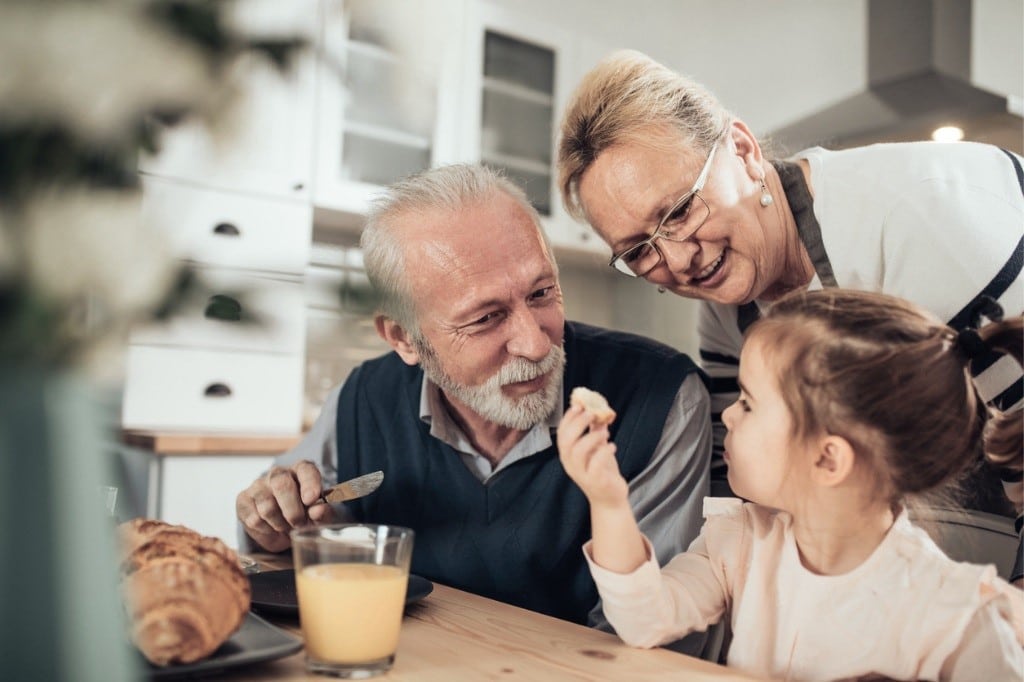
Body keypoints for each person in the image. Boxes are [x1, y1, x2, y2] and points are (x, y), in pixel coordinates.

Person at [556, 50, 1024, 531]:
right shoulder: (728, 310)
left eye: (678, 212)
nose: (677, 261)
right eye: (638, 251)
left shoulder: (927, 230)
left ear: (742, 150)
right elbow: (739, 475)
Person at [235, 163, 713, 634]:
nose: (536, 343)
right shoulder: (363, 399)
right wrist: (270, 522)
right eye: (485, 318)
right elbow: (277, 547)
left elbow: (655, 643)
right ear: (403, 337)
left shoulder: (662, 399)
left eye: (542, 292)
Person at [558, 288, 1024, 681]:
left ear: (827, 457)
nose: (729, 415)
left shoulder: (955, 618)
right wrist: (609, 501)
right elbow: (644, 620)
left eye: (748, 402)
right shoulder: (738, 539)